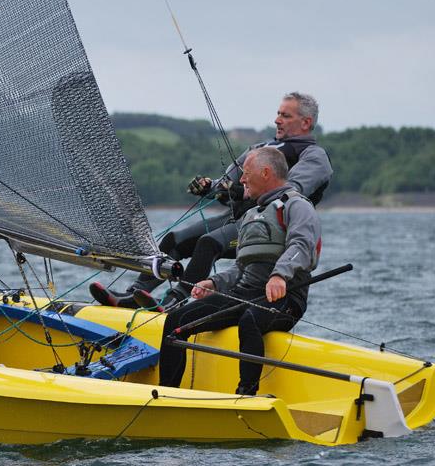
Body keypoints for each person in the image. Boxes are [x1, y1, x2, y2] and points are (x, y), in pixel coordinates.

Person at [89, 91, 332, 309]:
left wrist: (237, 191)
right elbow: (226, 187)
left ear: (305, 122)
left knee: (209, 242)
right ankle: (134, 294)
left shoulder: (314, 157)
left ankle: (175, 300)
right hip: (238, 219)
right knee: (175, 240)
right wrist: (210, 187)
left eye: (285, 116)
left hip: (269, 228)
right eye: (278, 113)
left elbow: (288, 192)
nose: (277, 120)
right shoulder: (260, 148)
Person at [158, 146, 321, 395]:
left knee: (250, 320)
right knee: (176, 321)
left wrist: (279, 275)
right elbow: (240, 266)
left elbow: (303, 247)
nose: (241, 179)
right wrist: (214, 283)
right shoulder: (252, 214)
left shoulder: (297, 206)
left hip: (284, 298)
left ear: (265, 173)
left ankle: (247, 392)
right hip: (245, 294)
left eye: (246, 172)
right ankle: (166, 393)